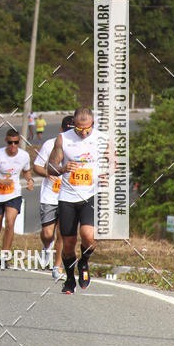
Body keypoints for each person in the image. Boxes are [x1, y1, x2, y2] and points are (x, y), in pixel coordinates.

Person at [47, 107, 105, 294]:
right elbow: (50, 167)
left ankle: (84, 261)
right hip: (67, 197)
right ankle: (70, 279)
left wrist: (108, 174)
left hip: (90, 195)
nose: (84, 133)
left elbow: (114, 163)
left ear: (93, 123)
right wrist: (63, 169)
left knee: (88, 235)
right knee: (68, 244)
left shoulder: (103, 139)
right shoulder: (63, 139)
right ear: (74, 124)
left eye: (87, 128)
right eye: (79, 129)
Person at [0, 128, 33, 266]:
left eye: (16, 142)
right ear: (6, 141)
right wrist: (1, 181)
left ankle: (4, 257)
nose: (13, 145)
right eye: (10, 142)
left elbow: (26, 171)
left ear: (19, 141)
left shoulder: (24, 156)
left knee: (10, 223)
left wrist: (29, 180)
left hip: (13, 194)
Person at [33, 116, 74, 279]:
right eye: (68, 130)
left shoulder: (79, 147)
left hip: (68, 196)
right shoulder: (49, 144)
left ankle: (57, 267)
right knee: (48, 233)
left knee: (63, 233)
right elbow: (36, 166)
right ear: (61, 130)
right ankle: (46, 247)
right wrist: (47, 173)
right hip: (50, 196)